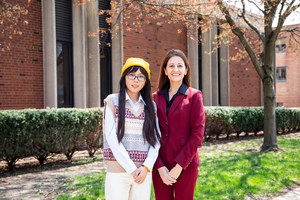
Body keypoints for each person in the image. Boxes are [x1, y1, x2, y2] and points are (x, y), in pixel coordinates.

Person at [103, 57, 161, 200]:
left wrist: (146, 167)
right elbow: (112, 138)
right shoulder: (112, 101)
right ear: (124, 77)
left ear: (146, 81)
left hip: (143, 173)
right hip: (118, 172)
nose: (136, 80)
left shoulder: (151, 107)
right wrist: (131, 168)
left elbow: (156, 140)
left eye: (141, 76)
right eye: (132, 75)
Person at [152, 49, 205, 200]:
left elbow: (197, 135)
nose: (176, 70)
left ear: (186, 70)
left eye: (180, 66)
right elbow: (151, 134)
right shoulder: (155, 97)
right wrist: (159, 166)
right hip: (160, 166)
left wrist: (179, 166)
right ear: (165, 70)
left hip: (186, 165)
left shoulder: (195, 96)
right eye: (171, 66)